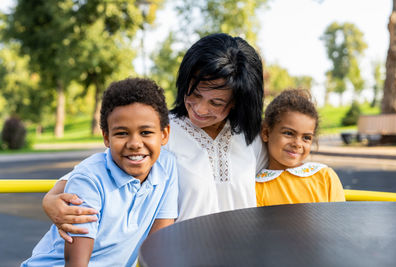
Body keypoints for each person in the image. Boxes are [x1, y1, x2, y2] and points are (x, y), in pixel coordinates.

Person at [42, 33, 267, 242]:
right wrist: (50, 199)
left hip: (244, 256)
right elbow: (100, 166)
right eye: (195, 94)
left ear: (239, 100)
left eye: (216, 103)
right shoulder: (159, 130)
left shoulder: (254, 137)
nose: (199, 108)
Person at [21, 78, 178, 266]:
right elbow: (76, 263)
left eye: (145, 132)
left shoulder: (167, 166)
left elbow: (157, 248)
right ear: (106, 137)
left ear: (164, 134)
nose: (135, 144)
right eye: (122, 133)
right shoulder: (90, 180)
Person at [256, 89, 345, 206]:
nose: (297, 144)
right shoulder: (256, 187)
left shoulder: (325, 177)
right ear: (266, 133)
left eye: (306, 138)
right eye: (288, 133)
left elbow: (338, 221)